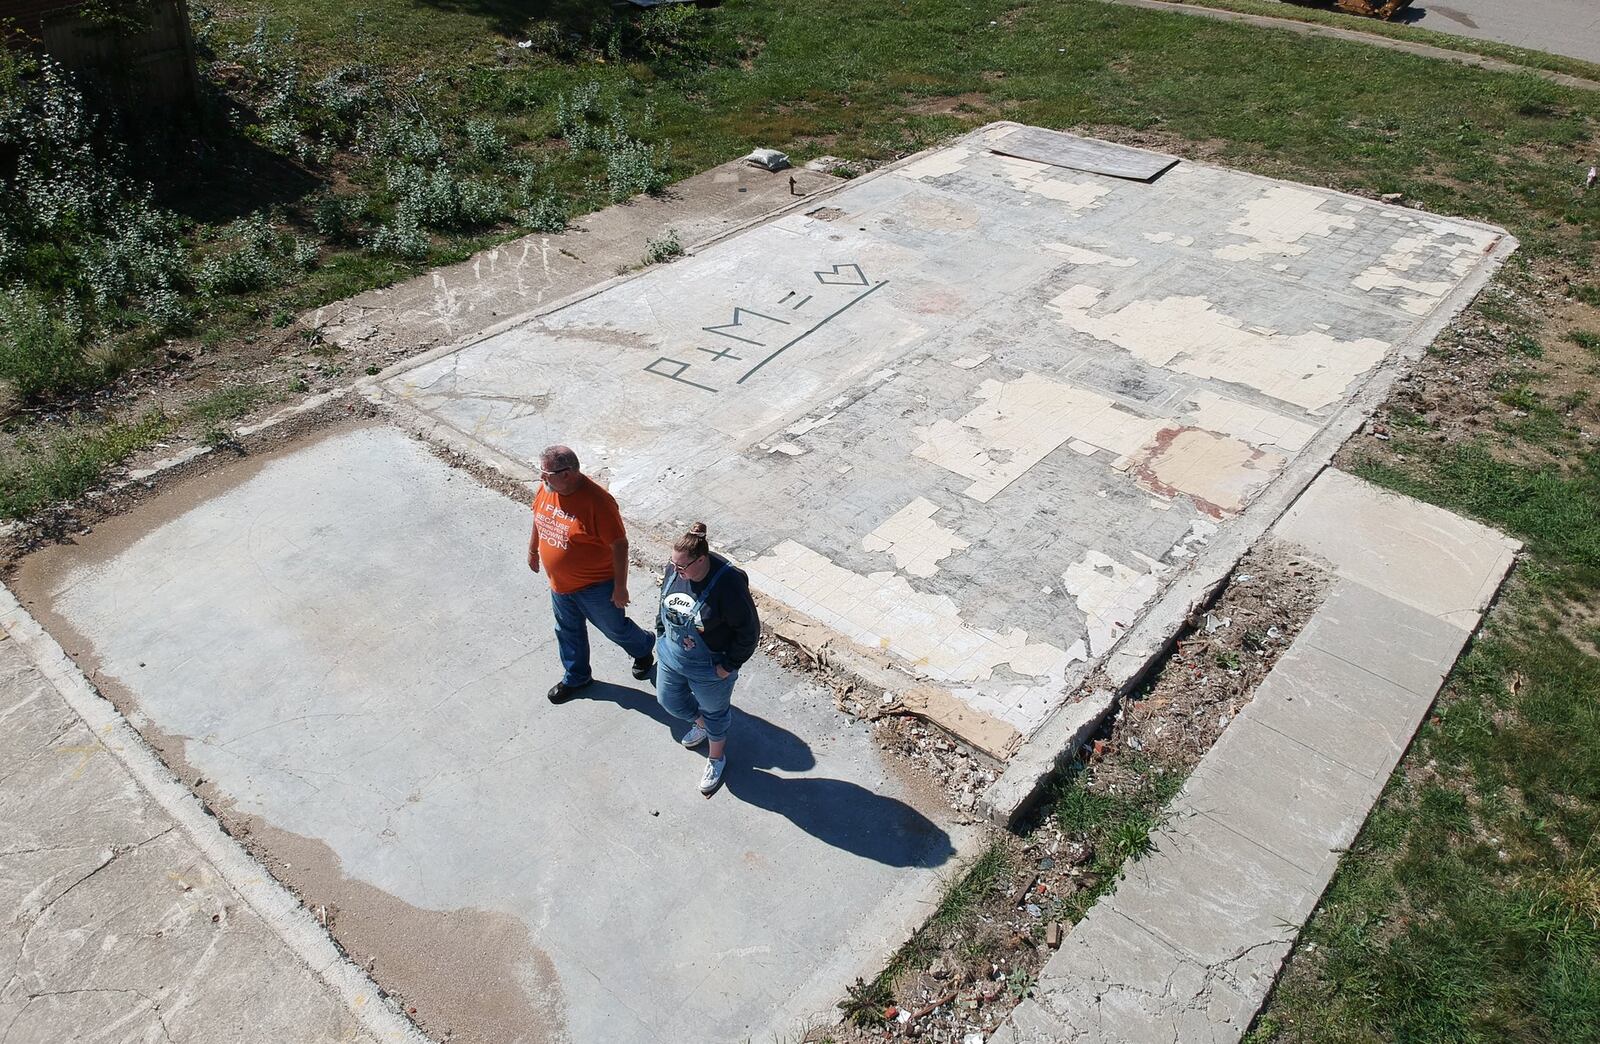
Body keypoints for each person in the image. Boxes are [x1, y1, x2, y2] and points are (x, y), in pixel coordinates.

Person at [528, 445, 654, 703]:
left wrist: (620, 587)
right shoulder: (547, 488)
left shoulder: (598, 502)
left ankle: (643, 647)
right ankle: (577, 677)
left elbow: (619, 545)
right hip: (560, 585)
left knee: (614, 629)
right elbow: (539, 519)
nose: (541, 477)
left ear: (568, 473)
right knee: (567, 630)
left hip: (595, 586)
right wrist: (532, 550)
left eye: (546, 473)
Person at [655, 523, 760, 796]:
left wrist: (729, 665)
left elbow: (749, 631)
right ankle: (701, 725)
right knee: (668, 700)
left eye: (682, 568)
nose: (676, 572)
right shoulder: (676, 567)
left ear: (701, 560)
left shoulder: (728, 584)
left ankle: (716, 758)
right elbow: (664, 601)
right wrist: (659, 632)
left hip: (708, 667)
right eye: (673, 565)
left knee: (716, 713)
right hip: (671, 654)